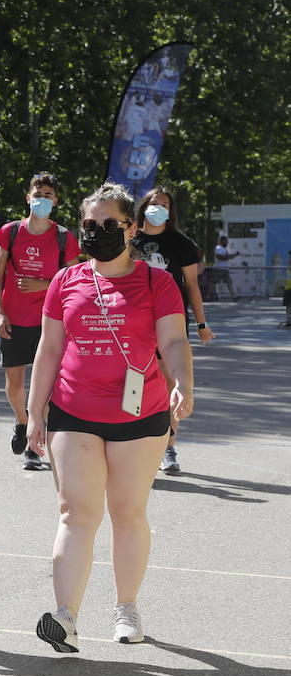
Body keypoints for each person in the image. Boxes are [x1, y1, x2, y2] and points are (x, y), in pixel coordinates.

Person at [26, 182, 193, 653]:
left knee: (127, 511)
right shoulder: (65, 281)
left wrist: (183, 380)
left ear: (132, 227)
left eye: (109, 225)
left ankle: (126, 606)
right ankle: (65, 616)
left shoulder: (156, 281)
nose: (98, 233)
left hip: (140, 415)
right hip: (73, 411)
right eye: (90, 226)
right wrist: (33, 411)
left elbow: (175, 342)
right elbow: (50, 348)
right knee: (76, 512)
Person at [0, 172, 81, 470]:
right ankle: (22, 421)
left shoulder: (64, 237)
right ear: (28, 197)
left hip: (50, 323)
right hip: (14, 320)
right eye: (37, 194)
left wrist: (43, 286)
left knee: (46, 386)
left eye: (48, 196)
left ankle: (34, 444)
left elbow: (74, 279)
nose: (42, 200)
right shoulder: (11, 232)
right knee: (14, 386)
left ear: (56, 201)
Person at [132, 186, 215, 474]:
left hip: (170, 321)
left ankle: (168, 446)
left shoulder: (182, 244)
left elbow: (192, 286)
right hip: (133, 321)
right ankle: (135, 443)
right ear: (143, 207)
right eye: (154, 203)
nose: (159, 208)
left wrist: (201, 323)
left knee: (169, 384)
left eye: (164, 204)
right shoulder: (128, 239)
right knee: (135, 382)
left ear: (171, 211)